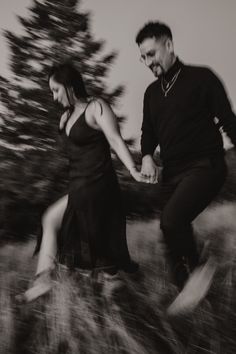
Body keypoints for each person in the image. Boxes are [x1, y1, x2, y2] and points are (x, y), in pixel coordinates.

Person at [17, 62, 147, 303]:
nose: (54, 97)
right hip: (78, 187)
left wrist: (133, 170)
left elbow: (115, 140)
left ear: (69, 86)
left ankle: (94, 286)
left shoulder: (96, 107)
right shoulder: (65, 118)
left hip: (98, 184)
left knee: (86, 244)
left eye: (56, 90)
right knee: (54, 222)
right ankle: (50, 281)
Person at [135, 21, 236, 314]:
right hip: (173, 172)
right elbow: (148, 132)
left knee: (171, 220)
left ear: (168, 44)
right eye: (143, 57)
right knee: (169, 238)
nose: (148, 62)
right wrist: (146, 156)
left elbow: (229, 121)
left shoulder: (202, 78)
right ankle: (193, 293)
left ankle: (200, 270)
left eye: (152, 53)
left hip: (207, 165)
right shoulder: (151, 94)